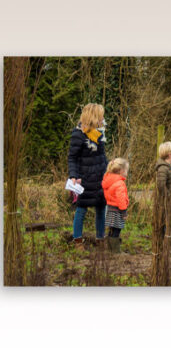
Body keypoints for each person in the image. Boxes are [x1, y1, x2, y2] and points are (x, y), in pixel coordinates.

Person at [67, 103, 108, 250]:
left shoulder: (99, 133)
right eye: (100, 115)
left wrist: (108, 170)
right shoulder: (78, 134)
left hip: (100, 178)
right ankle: (77, 240)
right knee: (82, 209)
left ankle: (100, 239)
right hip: (84, 179)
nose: (103, 118)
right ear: (94, 116)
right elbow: (72, 157)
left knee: (101, 207)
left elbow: (102, 155)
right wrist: (73, 175)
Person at [102, 158, 130, 253]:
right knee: (117, 230)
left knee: (111, 229)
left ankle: (109, 250)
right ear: (121, 171)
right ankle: (116, 252)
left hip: (110, 209)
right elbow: (121, 199)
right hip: (117, 210)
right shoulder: (120, 183)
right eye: (126, 170)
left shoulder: (109, 181)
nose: (127, 172)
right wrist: (124, 212)